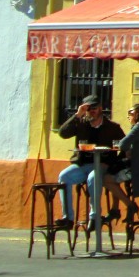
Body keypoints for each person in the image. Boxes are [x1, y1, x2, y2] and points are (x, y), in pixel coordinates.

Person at [56, 95, 125, 229]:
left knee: (93, 177)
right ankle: (68, 218)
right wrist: (77, 115)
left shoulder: (112, 127)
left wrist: (113, 164)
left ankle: (94, 216)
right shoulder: (81, 123)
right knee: (64, 176)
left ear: (100, 108)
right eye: (88, 109)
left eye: (94, 108)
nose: (91, 111)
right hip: (82, 164)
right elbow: (63, 133)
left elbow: (124, 146)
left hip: (102, 164)